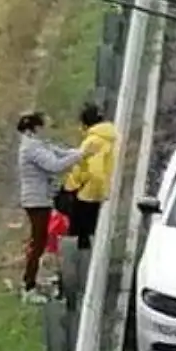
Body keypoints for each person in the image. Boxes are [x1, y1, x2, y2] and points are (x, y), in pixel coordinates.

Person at [15, 112, 85, 304]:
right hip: (36, 201)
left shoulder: (37, 144)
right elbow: (55, 165)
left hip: (41, 199)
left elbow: (59, 152)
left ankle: (32, 281)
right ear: (35, 128)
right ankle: (28, 286)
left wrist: (78, 152)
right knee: (37, 243)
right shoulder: (31, 148)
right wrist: (80, 156)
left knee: (40, 241)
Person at [57, 103, 117, 252]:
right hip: (99, 190)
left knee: (79, 235)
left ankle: (79, 264)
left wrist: (78, 185)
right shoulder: (110, 137)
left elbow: (92, 169)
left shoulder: (93, 141)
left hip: (87, 194)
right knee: (91, 231)